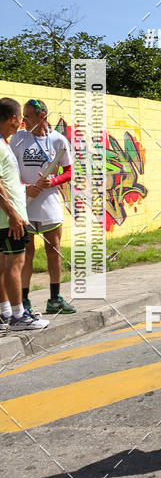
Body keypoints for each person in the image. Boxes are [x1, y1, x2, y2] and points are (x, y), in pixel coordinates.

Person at [9, 98, 75, 315]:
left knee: (54, 249)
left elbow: (69, 171)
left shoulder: (58, 141)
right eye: (23, 116)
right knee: (26, 252)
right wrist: (25, 188)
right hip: (24, 204)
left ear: (42, 116)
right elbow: (9, 172)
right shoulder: (18, 139)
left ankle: (55, 298)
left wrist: (53, 181)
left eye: (28, 116)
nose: (23, 121)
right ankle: (25, 300)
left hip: (49, 204)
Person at [0, 98, 49, 332]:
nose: (22, 122)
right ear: (13, 118)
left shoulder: (4, 143)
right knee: (15, 263)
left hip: (7, 216)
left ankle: (5, 313)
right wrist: (13, 213)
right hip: (8, 219)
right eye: (21, 117)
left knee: (3, 265)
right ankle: (19, 316)